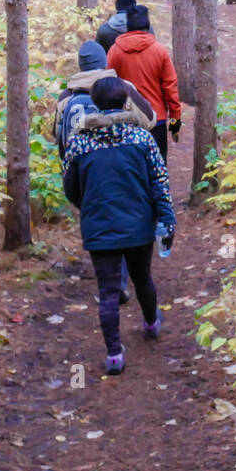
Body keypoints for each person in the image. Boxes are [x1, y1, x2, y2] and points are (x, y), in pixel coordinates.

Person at [62, 77, 176, 375]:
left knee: (108, 291)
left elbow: (71, 189)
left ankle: (114, 354)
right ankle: (151, 322)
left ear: (95, 102)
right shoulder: (142, 139)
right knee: (143, 279)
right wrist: (166, 220)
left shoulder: (78, 143)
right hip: (138, 225)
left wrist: (88, 208)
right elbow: (159, 184)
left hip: (98, 227)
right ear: (126, 101)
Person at [53, 41, 155, 160]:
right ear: (104, 62)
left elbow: (58, 134)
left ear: (81, 65)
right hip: (121, 162)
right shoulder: (122, 87)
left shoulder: (66, 95)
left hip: (81, 166)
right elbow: (149, 121)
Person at [107, 3, 183, 163]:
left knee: (131, 169)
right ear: (147, 25)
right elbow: (170, 87)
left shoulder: (115, 51)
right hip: (156, 119)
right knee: (157, 167)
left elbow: (108, 86)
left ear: (127, 26)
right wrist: (175, 121)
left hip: (126, 120)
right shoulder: (159, 51)